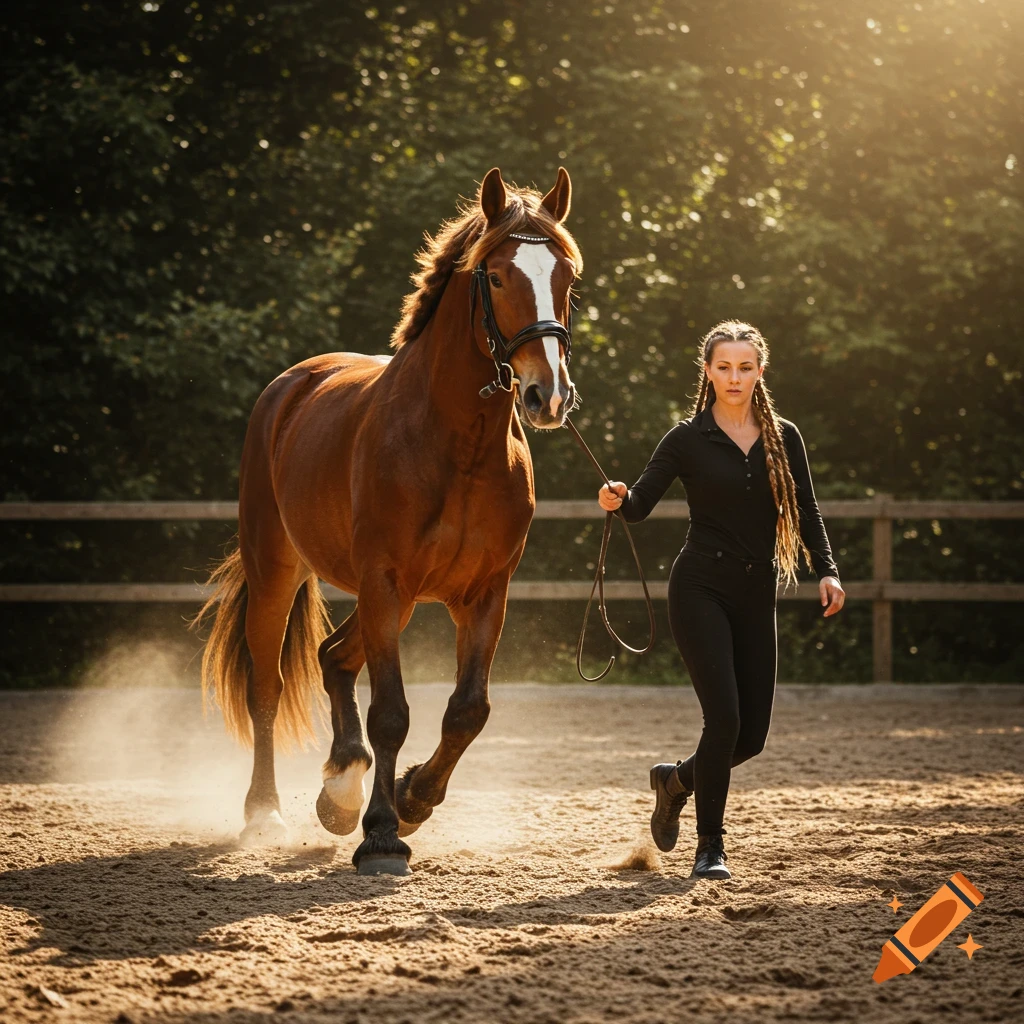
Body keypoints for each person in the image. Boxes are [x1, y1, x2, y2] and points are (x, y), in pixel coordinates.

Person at [597, 321, 845, 880]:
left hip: (758, 591)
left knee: (751, 737)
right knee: (725, 720)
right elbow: (639, 504)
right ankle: (711, 848)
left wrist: (826, 570)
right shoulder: (686, 439)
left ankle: (674, 780)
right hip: (700, 587)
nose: (735, 377)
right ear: (707, 371)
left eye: (746, 367)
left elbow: (807, 511)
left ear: (761, 371)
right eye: (724, 367)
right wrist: (618, 498)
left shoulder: (785, 437)